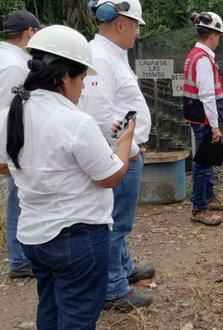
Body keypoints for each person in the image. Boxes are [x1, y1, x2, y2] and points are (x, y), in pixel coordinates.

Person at [0, 24, 134, 329]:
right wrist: (124, 143)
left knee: (50, 307)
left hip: (34, 236)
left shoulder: (11, 114)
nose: (83, 87)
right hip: (78, 237)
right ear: (64, 78)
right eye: (82, 78)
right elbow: (109, 177)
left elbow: (3, 164)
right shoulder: (76, 122)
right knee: (78, 316)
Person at [80, 0, 154, 311]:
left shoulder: (112, 55)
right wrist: (131, 150)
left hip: (124, 151)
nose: (137, 31)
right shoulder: (99, 57)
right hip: (118, 155)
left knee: (119, 220)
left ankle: (123, 267)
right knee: (113, 223)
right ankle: (113, 288)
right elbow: (99, 115)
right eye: (136, 25)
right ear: (120, 24)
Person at [0, 10, 42, 279]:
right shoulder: (15, 65)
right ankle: (19, 259)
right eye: (36, 32)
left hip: (8, 141)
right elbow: (6, 110)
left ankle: (20, 256)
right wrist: (8, 154)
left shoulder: (6, 57)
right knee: (19, 198)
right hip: (9, 141)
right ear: (29, 32)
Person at [183, 11, 223, 226]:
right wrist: (214, 126)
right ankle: (199, 208)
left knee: (208, 159)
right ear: (212, 35)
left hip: (199, 117)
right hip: (204, 119)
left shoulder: (195, 54)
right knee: (204, 163)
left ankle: (208, 198)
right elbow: (206, 95)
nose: (218, 40)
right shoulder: (202, 59)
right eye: (218, 36)